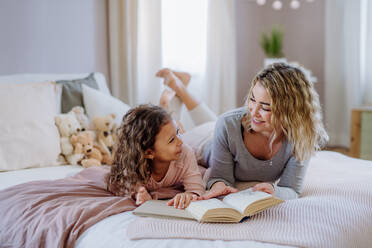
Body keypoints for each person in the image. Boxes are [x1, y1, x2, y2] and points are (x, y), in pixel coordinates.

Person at [156, 63, 329, 200]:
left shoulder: (302, 136)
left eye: (265, 107)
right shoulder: (229, 125)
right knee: (174, 133)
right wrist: (218, 186)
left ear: (291, 112)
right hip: (203, 142)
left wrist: (274, 191)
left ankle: (179, 86)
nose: (253, 111)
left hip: (223, 129)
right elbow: (220, 178)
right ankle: (167, 103)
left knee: (217, 121)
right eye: (252, 99)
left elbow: (291, 189)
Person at [106, 104, 205, 209]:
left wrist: (188, 195)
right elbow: (121, 185)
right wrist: (138, 193)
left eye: (178, 132)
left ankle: (166, 103)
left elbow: (197, 189)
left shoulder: (185, 153)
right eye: (172, 140)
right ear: (149, 153)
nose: (180, 141)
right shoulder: (134, 165)